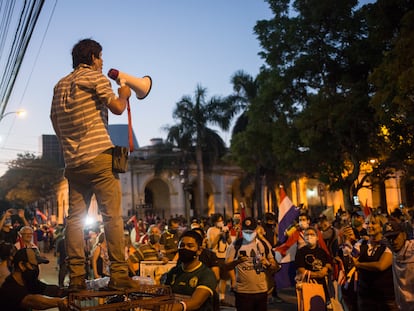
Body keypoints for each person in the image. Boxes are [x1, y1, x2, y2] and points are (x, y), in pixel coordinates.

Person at [50, 38, 138, 292]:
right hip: (99, 157)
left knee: (74, 221)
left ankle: (76, 277)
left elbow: (54, 120)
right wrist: (123, 93)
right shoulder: (95, 77)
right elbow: (119, 108)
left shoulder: (60, 85)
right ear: (92, 57)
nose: (102, 63)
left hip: (74, 164)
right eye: (100, 57)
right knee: (112, 217)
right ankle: (119, 275)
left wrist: (71, 144)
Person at [225, 217, 278, 311]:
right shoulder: (235, 245)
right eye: (246, 232)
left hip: (261, 291)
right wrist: (237, 261)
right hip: (242, 292)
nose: (248, 234)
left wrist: (267, 263)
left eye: (251, 232)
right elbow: (227, 266)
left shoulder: (263, 245)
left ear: (256, 230)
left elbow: (275, 267)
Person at [162, 230, 218, 311]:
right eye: (182, 245)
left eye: (190, 246)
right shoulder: (174, 272)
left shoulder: (206, 274)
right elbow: (164, 296)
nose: (185, 248)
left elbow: (195, 302)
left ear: (199, 250)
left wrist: (170, 308)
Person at [352, 214, 398, 311]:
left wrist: (359, 264)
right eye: (367, 223)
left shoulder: (388, 244)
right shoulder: (361, 243)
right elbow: (351, 258)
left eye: (373, 223)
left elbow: (381, 266)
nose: (369, 226)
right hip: (365, 296)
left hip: (386, 298)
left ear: (382, 226)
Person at [0, 248, 68, 310]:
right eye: (33, 266)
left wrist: (66, 291)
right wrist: (60, 302)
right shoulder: (9, 288)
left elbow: (46, 289)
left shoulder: (28, 281)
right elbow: (34, 302)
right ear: (22, 265)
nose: (36, 269)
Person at [295, 226, 332, 307]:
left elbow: (328, 265)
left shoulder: (322, 252)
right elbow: (301, 270)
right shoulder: (301, 252)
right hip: (308, 284)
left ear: (317, 237)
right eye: (307, 235)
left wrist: (325, 269)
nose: (309, 237)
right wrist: (317, 275)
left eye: (312, 234)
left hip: (322, 285)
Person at [383, 220, 414, 310]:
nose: (392, 241)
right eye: (389, 238)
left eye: (395, 236)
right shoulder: (393, 252)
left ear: (404, 235)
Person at [206, 213, 234, 306]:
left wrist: (227, 235)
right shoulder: (211, 230)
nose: (220, 222)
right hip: (216, 256)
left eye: (221, 220)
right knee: (216, 278)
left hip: (224, 256)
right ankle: (215, 298)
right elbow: (211, 245)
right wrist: (219, 235)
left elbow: (230, 243)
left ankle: (222, 298)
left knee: (224, 278)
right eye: (218, 221)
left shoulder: (225, 229)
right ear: (214, 222)